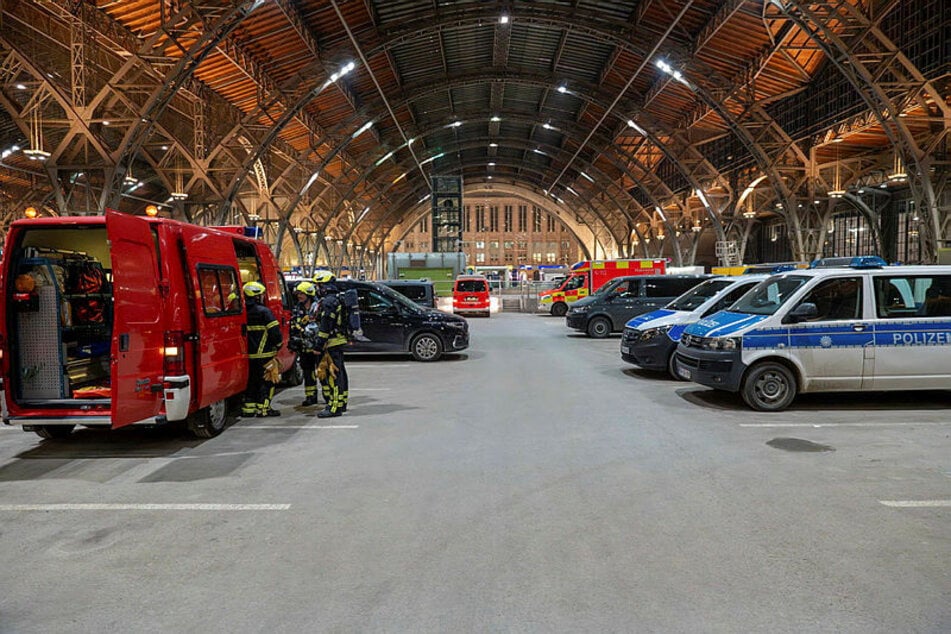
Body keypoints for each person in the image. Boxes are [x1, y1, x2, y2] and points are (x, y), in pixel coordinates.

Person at [310, 270, 350, 418]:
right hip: (338, 340)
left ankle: (334, 408)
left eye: (318, 285)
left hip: (331, 343)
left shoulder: (327, 302)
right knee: (340, 374)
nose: (317, 289)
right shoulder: (337, 299)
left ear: (324, 286)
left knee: (333, 375)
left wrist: (318, 346)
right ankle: (341, 403)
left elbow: (325, 327)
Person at [241, 281, 283, 418]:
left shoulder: (242, 312)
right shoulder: (264, 312)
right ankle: (264, 408)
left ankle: (249, 409)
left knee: (252, 381)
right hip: (265, 353)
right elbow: (275, 332)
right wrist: (278, 345)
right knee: (268, 381)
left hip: (248, 355)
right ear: (256, 296)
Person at [290, 280, 320, 406]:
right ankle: (311, 396)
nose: (299, 296)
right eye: (298, 294)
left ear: (309, 294)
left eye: (301, 294)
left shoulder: (318, 307)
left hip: (317, 346)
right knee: (307, 372)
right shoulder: (298, 308)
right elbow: (293, 324)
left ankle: (329, 396)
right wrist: (293, 338)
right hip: (304, 346)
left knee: (323, 372)